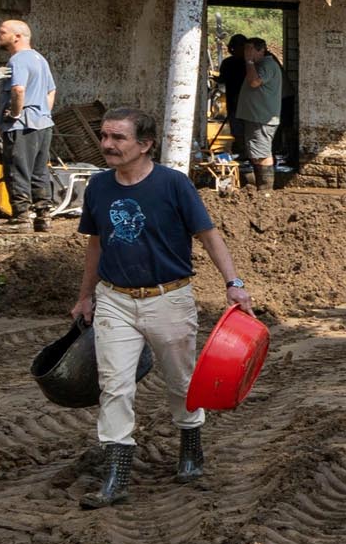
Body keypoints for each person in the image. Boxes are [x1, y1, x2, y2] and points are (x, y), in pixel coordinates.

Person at [69, 106, 259, 508]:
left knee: (182, 382)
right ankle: (117, 474)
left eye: (118, 138)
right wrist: (86, 295)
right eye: (104, 136)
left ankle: (190, 445)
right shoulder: (99, 187)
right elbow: (95, 244)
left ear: (146, 144)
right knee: (114, 386)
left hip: (168, 298)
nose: (107, 145)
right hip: (115, 300)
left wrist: (234, 284)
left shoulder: (174, 185)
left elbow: (209, 236)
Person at [0, 18, 57, 232]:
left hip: (21, 126)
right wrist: (42, 113)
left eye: (2, 31)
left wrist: (15, 113)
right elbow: (51, 91)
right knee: (39, 170)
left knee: (17, 169)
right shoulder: (40, 59)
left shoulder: (18, 60)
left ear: (17, 36)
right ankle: (43, 216)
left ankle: (21, 219)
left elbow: (18, 90)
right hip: (42, 124)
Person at [233, 35, 284, 192]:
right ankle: (261, 188)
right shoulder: (261, 64)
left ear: (261, 50)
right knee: (257, 152)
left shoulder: (266, 65)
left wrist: (249, 62)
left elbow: (255, 82)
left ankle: (265, 190)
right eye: (245, 50)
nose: (247, 53)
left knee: (261, 153)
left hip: (262, 118)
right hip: (256, 117)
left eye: (250, 50)